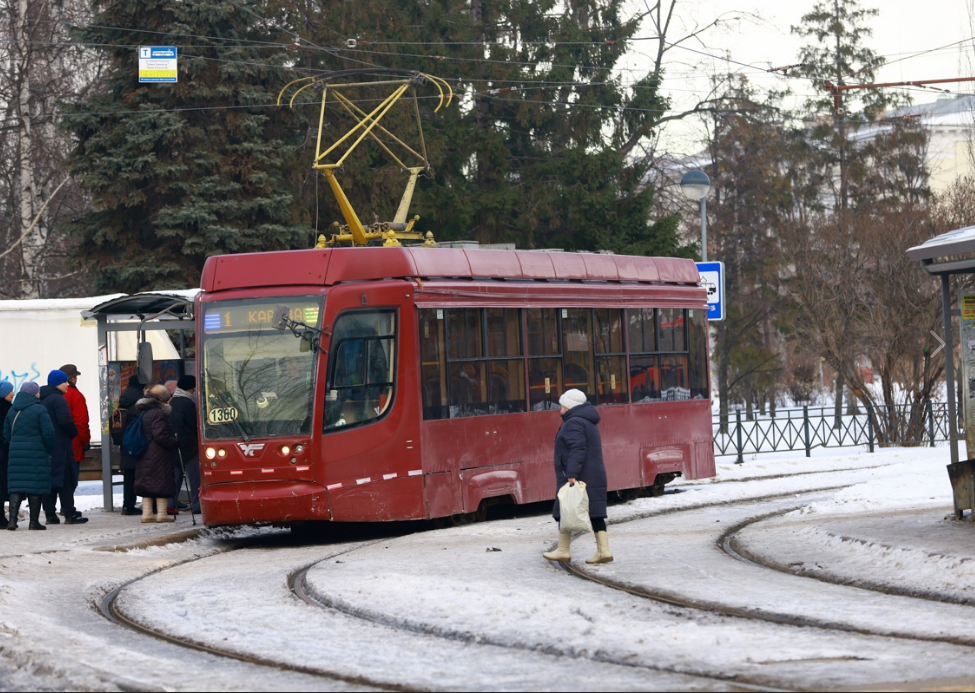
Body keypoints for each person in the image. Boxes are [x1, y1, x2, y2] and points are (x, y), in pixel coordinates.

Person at [542, 388, 613, 565]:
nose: (560, 410)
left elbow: (577, 449)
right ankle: (604, 551)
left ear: (570, 406)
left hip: (580, 476)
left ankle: (563, 550)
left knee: (565, 509)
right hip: (593, 474)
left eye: (563, 406)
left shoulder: (574, 423)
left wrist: (572, 473)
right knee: (595, 514)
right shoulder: (588, 422)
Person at [4, 382, 55, 530]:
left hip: (15, 453)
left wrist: (15, 444)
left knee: (16, 486)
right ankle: (34, 522)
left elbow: (6, 433)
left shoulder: (12, 410)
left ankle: (12, 521)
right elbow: (48, 433)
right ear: (34, 393)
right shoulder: (40, 410)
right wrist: (48, 448)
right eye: (37, 391)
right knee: (35, 486)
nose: (39, 394)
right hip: (36, 452)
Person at [40, 370, 87, 525]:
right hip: (62, 446)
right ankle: (69, 513)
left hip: (47, 447)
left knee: (49, 481)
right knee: (66, 480)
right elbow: (65, 421)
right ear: (57, 383)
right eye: (64, 382)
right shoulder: (58, 399)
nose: (68, 384)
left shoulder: (42, 399)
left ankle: (50, 515)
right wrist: (73, 432)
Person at [134, 384, 178, 523]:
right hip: (159, 453)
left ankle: (147, 514)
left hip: (144, 452)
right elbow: (160, 435)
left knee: (147, 483)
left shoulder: (144, 412)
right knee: (162, 482)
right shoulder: (158, 413)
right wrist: (173, 442)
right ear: (162, 399)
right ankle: (162, 514)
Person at [59, 364, 91, 522]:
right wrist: (85, 441)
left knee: (58, 477)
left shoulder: (51, 395)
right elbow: (81, 422)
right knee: (71, 478)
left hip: (55, 444)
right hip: (73, 444)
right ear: (71, 378)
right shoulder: (75, 396)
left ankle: (59, 509)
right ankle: (67, 508)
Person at [168, 375, 200, 514]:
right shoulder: (188, 403)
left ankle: (170, 504)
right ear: (191, 388)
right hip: (190, 446)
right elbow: (194, 425)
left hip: (174, 444)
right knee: (194, 478)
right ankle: (197, 505)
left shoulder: (172, 401)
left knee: (175, 477)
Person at [117, 375, 145, 515]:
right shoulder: (139, 400)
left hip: (126, 442)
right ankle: (148, 505)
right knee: (144, 472)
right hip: (137, 441)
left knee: (129, 475)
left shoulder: (125, 398)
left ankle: (128, 505)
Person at [0, 381, 13, 528]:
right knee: (2, 486)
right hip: (2, 455)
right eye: (10, 391)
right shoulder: (5, 410)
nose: (13, 394)